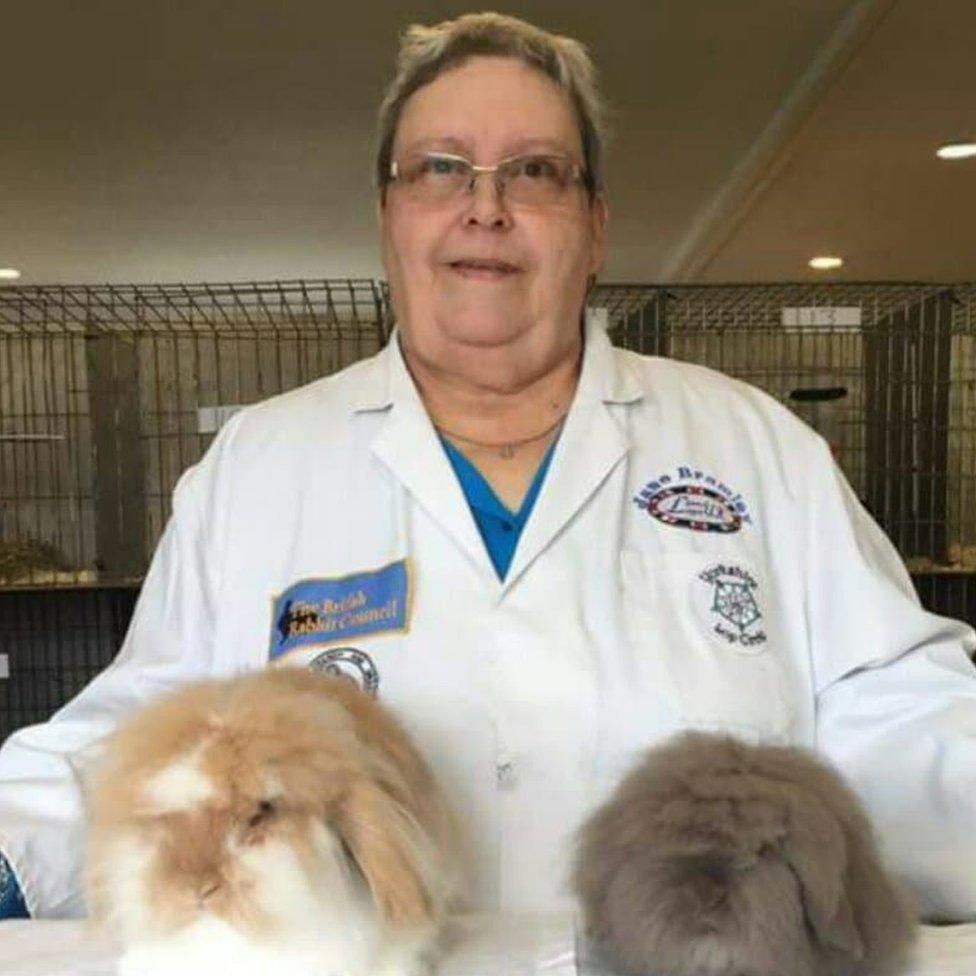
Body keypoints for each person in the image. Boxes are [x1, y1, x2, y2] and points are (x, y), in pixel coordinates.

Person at [1, 11, 975, 922]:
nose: (485, 207)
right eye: (439, 168)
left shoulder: (757, 449)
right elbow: (150, 735)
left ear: (594, 225)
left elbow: (898, 708)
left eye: (536, 171)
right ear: (388, 217)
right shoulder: (259, 464)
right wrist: (13, 847)